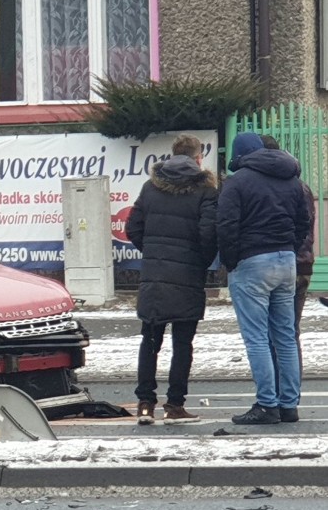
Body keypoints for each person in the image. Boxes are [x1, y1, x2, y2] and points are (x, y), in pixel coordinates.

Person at [218, 132, 311, 424]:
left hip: (252, 262)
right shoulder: (292, 180)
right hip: (286, 261)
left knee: (257, 338)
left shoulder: (237, 182)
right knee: (285, 336)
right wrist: (289, 249)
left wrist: (231, 261)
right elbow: (303, 222)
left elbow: (226, 225)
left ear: (240, 155)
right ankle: (288, 405)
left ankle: (267, 404)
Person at [126, 134, 218, 425]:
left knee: (150, 340)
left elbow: (132, 228)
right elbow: (208, 234)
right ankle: (175, 405)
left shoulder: (150, 186)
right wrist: (199, 262)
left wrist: (152, 252)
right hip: (188, 275)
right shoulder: (206, 189)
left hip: (154, 274)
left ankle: (144, 404)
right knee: (182, 343)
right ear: (198, 158)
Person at [260, 135, 316, 397]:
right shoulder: (300, 186)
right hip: (301, 264)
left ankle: (280, 389)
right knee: (288, 331)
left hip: (286, 263)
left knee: (279, 332)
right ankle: (289, 390)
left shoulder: (283, 187)